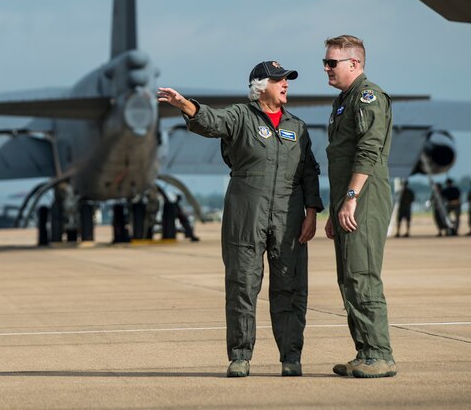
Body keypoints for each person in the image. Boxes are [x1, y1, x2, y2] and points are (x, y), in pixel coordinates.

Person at [158, 60, 323, 378]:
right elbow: (211, 121)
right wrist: (185, 105)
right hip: (246, 212)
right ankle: (240, 356)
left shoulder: (297, 127)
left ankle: (291, 357)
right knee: (242, 286)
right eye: (279, 81)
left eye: (287, 80)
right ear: (260, 87)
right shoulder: (240, 116)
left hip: (289, 216)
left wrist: (312, 212)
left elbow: (309, 172)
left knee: (291, 287)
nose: (286, 84)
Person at [322, 35, 397, 378]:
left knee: (362, 274)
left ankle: (380, 354)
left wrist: (350, 199)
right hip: (349, 199)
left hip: (365, 196)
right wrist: (335, 207)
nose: (326, 68)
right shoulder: (343, 101)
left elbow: (368, 150)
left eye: (332, 62)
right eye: (325, 62)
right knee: (349, 277)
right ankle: (365, 352)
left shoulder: (368, 97)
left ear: (355, 64)